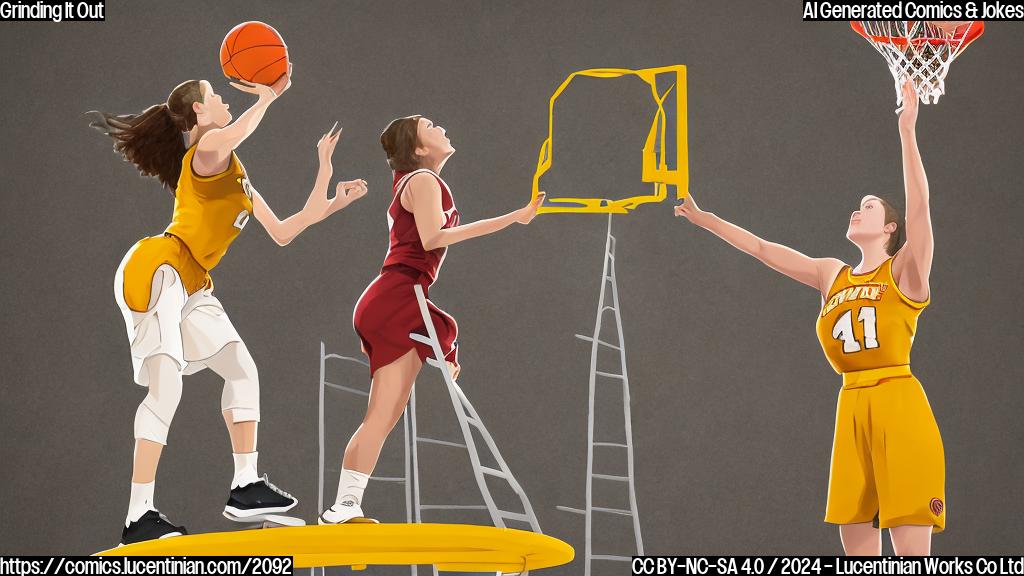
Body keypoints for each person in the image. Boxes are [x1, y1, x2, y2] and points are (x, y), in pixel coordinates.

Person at [90, 67, 368, 544]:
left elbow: (284, 230)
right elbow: (236, 131)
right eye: (216, 95)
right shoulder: (205, 152)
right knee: (166, 389)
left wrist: (329, 183)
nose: (224, 100)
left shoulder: (235, 174)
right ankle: (139, 516)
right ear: (199, 112)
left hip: (193, 281)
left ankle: (244, 487)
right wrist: (267, 97)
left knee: (242, 368)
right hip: (158, 268)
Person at [674, 80, 943, 555]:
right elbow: (761, 248)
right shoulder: (830, 274)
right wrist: (706, 218)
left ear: (889, 227)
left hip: (898, 400)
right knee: (855, 535)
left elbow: (921, 209)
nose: (856, 211)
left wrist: (907, 131)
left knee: (909, 544)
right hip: (851, 404)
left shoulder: (904, 271)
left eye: (869, 207)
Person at [319, 115, 545, 524]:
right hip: (398, 294)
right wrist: (513, 218)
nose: (441, 127)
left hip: (393, 296)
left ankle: (344, 506)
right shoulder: (422, 181)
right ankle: (343, 506)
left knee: (383, 414)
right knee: (384, 413)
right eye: (430, 125)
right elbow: (432, 238)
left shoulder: (414, 182)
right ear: (419, 148)